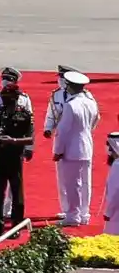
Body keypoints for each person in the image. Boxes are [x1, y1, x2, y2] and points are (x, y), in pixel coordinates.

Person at [48, 71, 102, 227]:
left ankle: (73, 215)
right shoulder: (90, 102)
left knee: (72, 184)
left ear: (70, 87)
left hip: (72, 149)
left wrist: (58, 150)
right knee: (85, 182)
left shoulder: (71, 105)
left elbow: (63, 131)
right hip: (87, 145)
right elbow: (95, 120)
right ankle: (84, 213)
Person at [0, 73, 36, 234]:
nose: (4, 101)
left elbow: (30, 138)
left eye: (8, 98)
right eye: (3, 97)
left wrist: (13, 140)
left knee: (16, 194)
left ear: (16, 98)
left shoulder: (24, 115)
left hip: (14, 157)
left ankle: (16, 227)